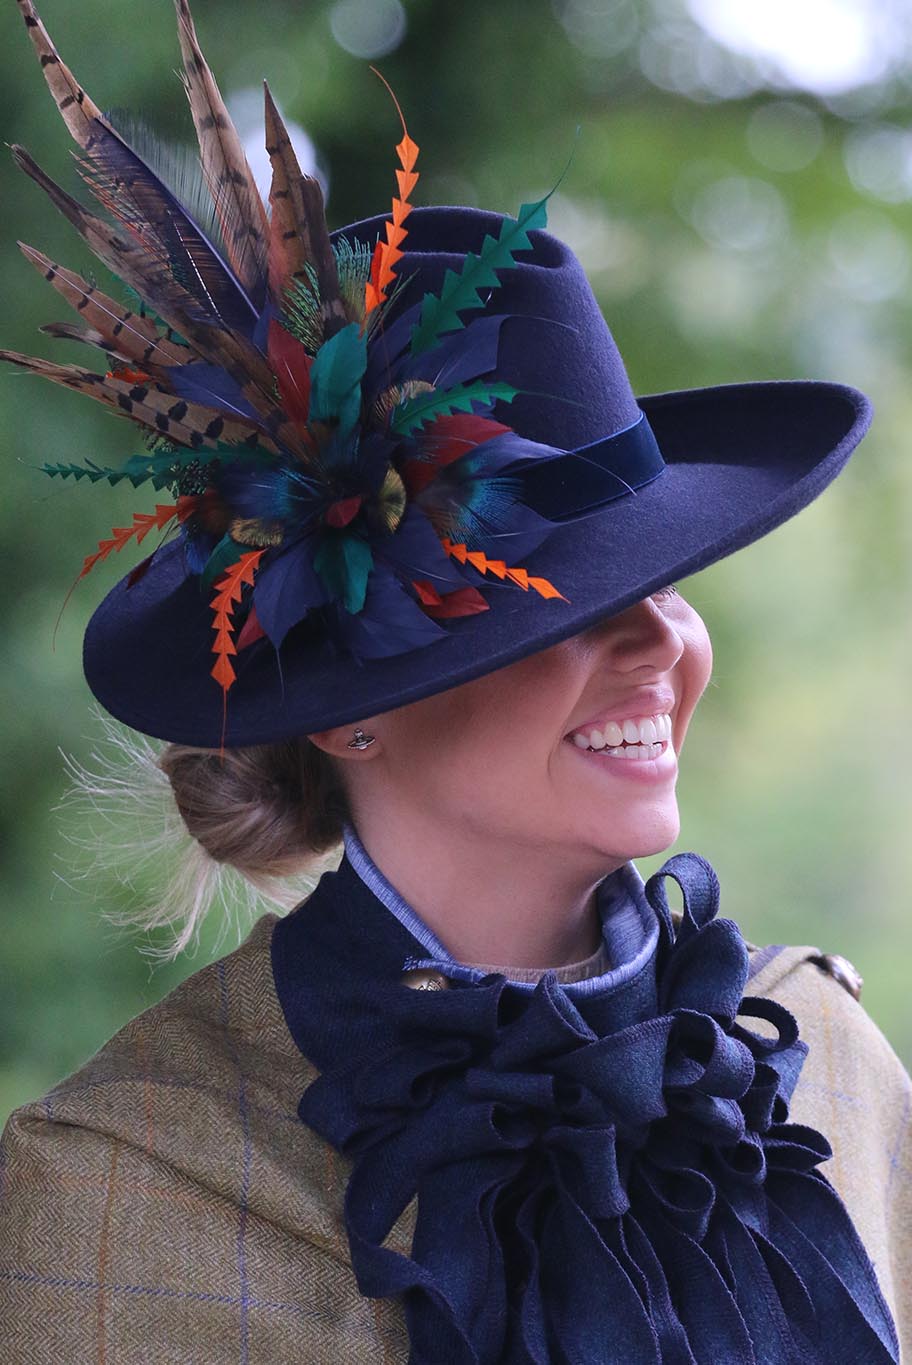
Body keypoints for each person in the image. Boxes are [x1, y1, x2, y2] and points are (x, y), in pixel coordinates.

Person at [0, 1, 908, 1361]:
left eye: (662, 578)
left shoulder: (825, 1059)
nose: (662, 640)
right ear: (352, 703)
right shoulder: (120, 1183)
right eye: (567, 603)